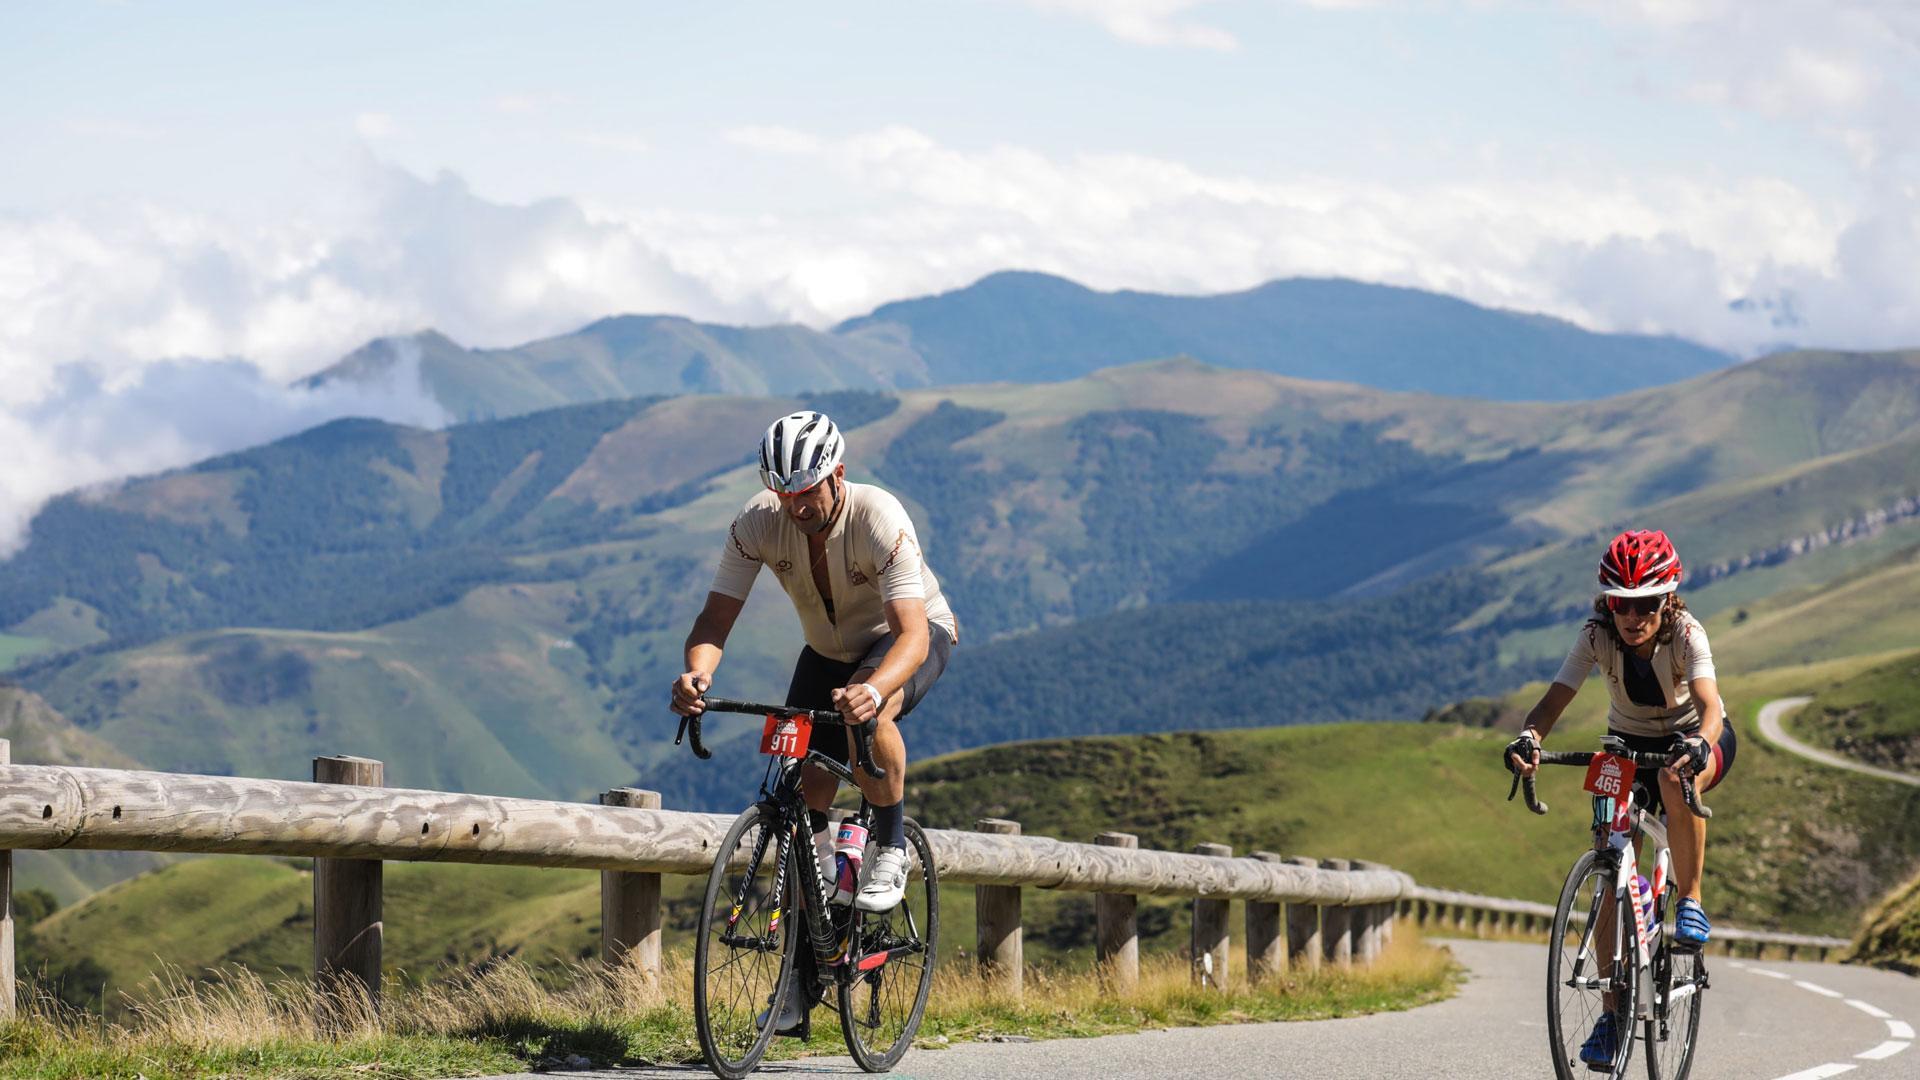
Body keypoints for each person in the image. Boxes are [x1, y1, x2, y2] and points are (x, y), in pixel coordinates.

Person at [669, 410, 959, 1031]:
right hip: (825, 652)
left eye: (807, 491)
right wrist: (697, 674)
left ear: (837, 475)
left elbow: (911, 635)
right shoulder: (757, 523)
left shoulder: (878, 516)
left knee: (866, 712)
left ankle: (888, 844)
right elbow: (714, 620)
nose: (795, 505)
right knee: (803, 801)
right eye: (784, 492)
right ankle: (805, 973)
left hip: (908, 638)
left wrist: (876, 689)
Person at [1505, 529, 1734, 1070]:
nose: (1632, 616)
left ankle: (1691, 901)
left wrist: (1699, 744)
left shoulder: (1687, 633)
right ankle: (1612, 1013)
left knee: (1680, 782)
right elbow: (1553, 701)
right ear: (1608, 602)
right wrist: (1530, 739)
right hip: (1626, 746)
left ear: (1668, 599)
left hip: (1694, 738)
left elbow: (1710, 707)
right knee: (1609, 846)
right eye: (1621, 603)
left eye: (1646, 603)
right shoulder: (1595, 635)